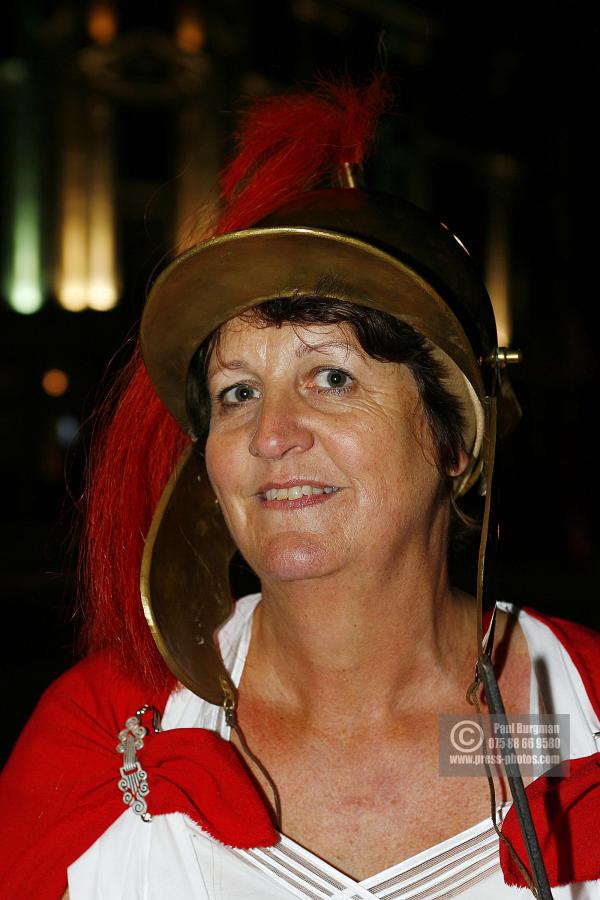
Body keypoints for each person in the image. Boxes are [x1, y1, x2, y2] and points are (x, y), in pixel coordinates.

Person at [1, 78, 599, 900]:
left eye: (331, 377)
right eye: (237, 393)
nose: (270, 435)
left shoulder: (588, 705)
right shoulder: (100, 738)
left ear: (457, 437)